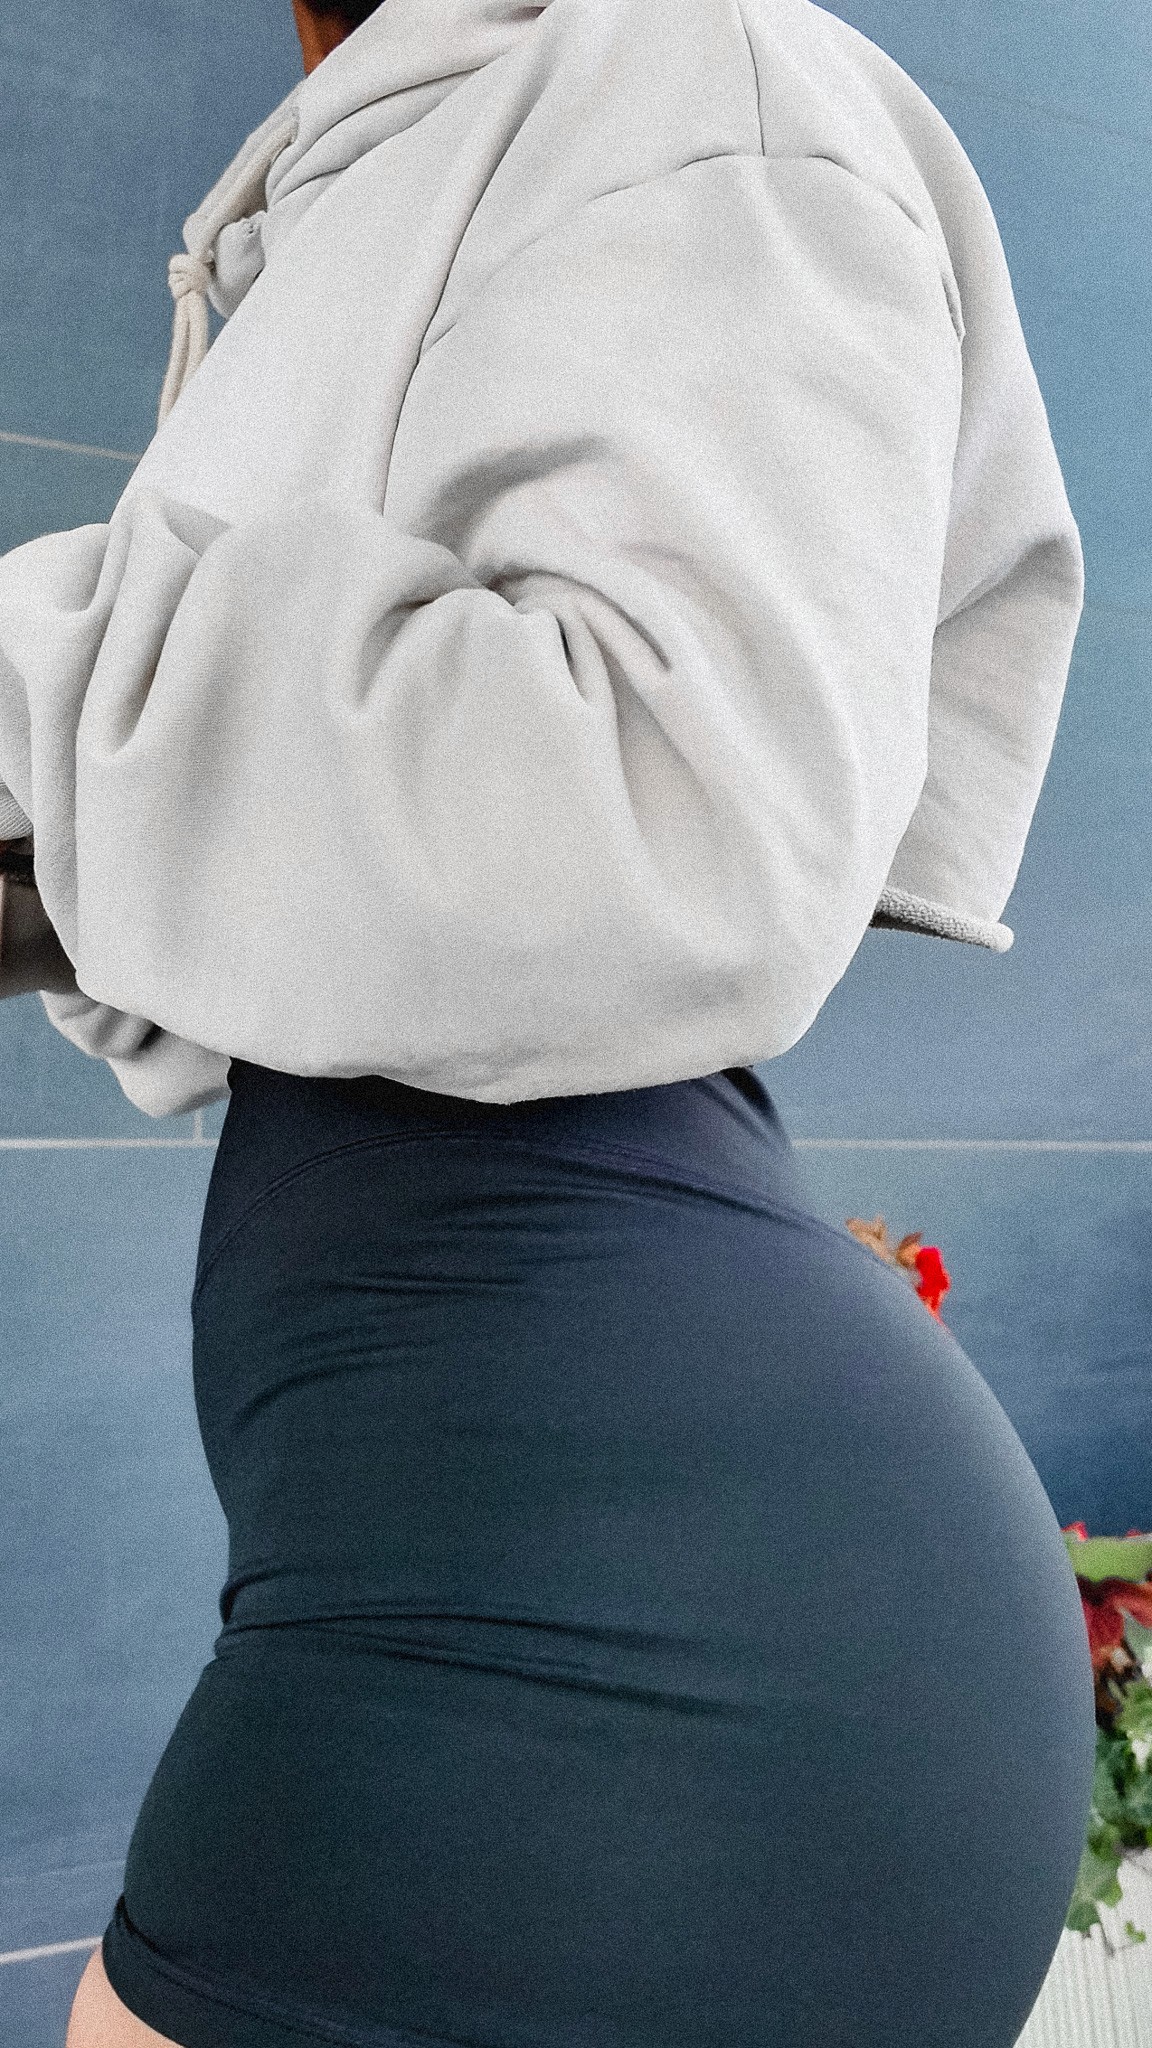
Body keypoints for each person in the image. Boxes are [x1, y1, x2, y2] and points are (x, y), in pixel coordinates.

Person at [0, 0, 1097, 2043]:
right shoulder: (406, 164)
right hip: (534, 1536)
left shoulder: (707, 80)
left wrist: (36, 672)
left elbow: (660, 809)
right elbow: (315, 835)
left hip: (652, 1619)